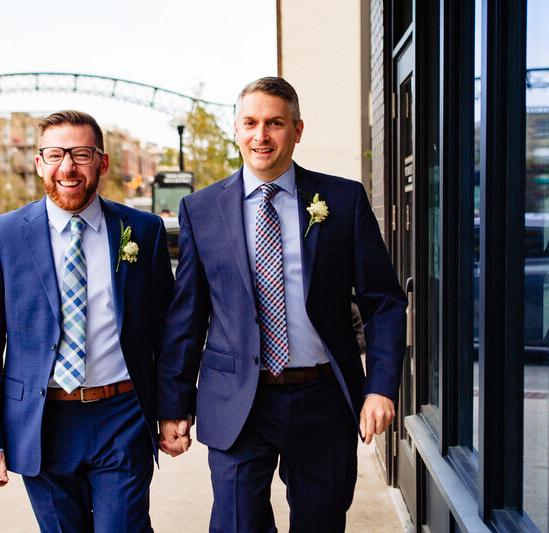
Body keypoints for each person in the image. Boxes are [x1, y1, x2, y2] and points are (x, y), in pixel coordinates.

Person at [157, 77, 407, 532]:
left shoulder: (343, 200)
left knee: (321, 522)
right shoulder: (201, 208)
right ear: (236, 130)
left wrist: (381, 387)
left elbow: (384, 302)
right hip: (237, 400)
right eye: (251, 123)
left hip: (323, 398)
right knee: (236, 525)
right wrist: (174, 404)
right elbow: (187, 316)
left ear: (297, 129)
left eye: (275, 123)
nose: (261, 135)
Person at [0, 110, 174, 532]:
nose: (67, 167)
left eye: (80, 154)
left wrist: (173, 409)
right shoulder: (2, 235)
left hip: (122, 415)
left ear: (102, 162)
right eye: (55, 154)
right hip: (41, 423)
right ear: (39, 162)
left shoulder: (143, 231)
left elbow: (165, 331)